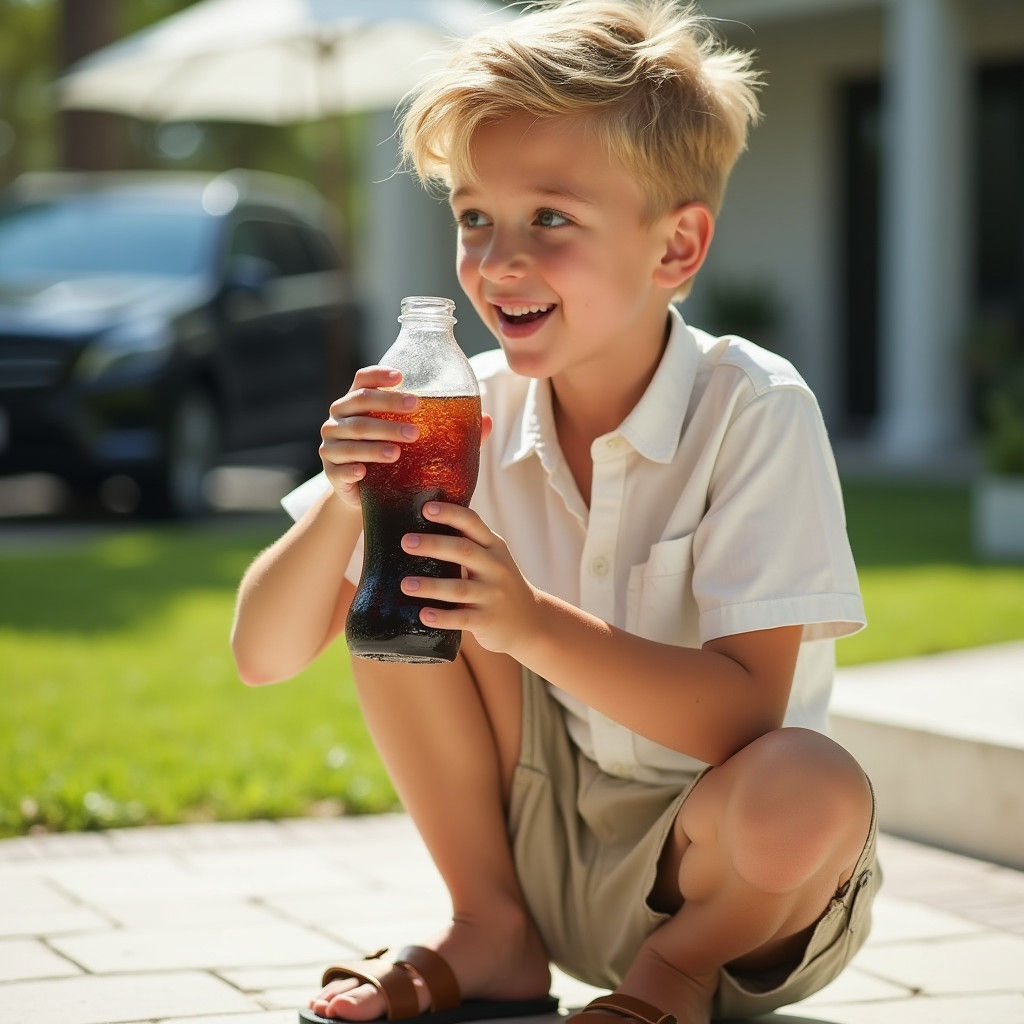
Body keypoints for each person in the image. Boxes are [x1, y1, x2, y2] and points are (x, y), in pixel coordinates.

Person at [231, 2, 879, 1022]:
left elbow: (747, 717)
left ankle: (669, 981)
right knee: (397, 575)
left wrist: (526, 620)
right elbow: (263, 653)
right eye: (474, 216)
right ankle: (489, 932)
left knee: (817, 782)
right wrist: (348, 502)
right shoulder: (459, 410)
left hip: (733, 883)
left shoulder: (752, 406)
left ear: (674, 249)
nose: (496, 261)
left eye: (551, 218)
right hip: (543, 851)